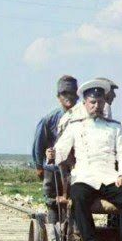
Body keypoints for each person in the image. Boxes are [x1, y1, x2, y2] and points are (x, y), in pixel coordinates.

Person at [46, 80, 122, 241]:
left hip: (109, 177)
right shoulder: (75, 126)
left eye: (100, 102)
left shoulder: (115, 127)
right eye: (92, 102)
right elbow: (61, 150)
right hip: (85, 177)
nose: (96, 106)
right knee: (78, 196)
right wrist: (52, 155)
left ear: (104, 103)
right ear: (85, 103)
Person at [31, 75, 78, 222]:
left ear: (77, 96)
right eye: (64, 93)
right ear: (58, 97)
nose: (68, 96)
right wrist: (39, 166)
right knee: (53, 204)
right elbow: (38, 144)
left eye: (72, 93)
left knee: (76, 205)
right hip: (54, 170)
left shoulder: (84, 117)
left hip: (76, 170)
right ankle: (53, 231)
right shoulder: (49, 119)